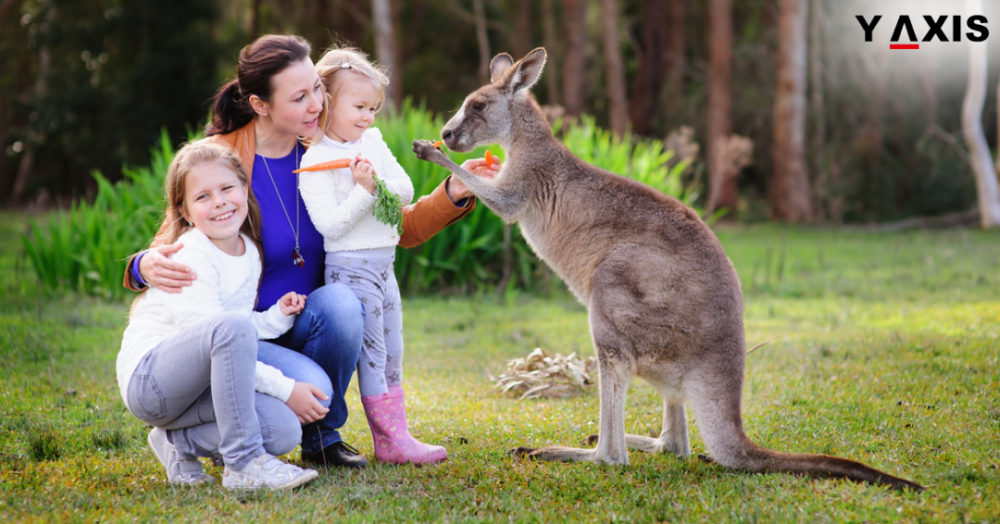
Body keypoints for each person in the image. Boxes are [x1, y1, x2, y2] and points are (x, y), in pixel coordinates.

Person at [122, 34, 491, 468]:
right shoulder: (221, 159)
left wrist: (452, 190)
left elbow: (395, 229)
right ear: (261, 105)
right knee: (297, 397)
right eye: (299, 97)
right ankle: (216, 426)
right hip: (245, 333)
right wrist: (140, 266)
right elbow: (176, 241)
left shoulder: (328, 150)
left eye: (316, 87)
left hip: (302, 318)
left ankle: (322, 437)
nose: (317, 104)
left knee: (341, 304)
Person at [117, 141, 322, 490]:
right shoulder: (192, 254)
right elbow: (223, 332)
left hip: (200, 390)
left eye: (227, 188)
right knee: (235, 335)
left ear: (245, 188)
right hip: (152, 381)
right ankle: (243, 464)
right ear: (184, 210)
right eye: (203, 197)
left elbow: (236, 337)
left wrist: (276, 317)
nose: (219, 202)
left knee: (283, 428)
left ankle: (175, 442)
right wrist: (286, 388)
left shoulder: (247, 252)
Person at [297, 47, 450, 464]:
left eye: (374, 109)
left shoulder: (373, 141)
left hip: (386, 264)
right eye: (359, 106)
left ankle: (394, 438)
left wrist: (373, 181)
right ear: (326, 102)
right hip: (351, 268)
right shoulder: (317, 161)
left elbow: (404, 190)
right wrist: (364, 192)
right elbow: (331, 226)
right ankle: (389, 439)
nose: (368, 116)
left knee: (393, 347)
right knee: (374, 353)